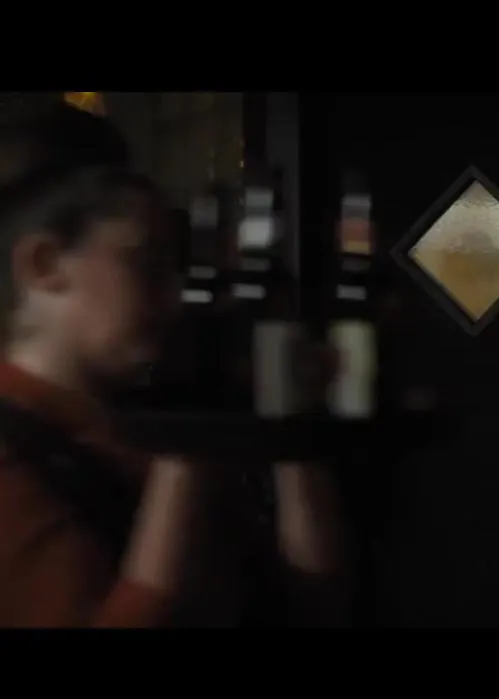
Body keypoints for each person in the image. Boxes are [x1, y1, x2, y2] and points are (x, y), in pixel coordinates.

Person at [0, 101, 349, 627]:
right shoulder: (14, 446)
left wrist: (292, 427)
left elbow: (313, 605)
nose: (175, 295)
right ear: (43, 264)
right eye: (146, 264)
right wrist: (183, 455)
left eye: (176, 266)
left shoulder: (136, 416)